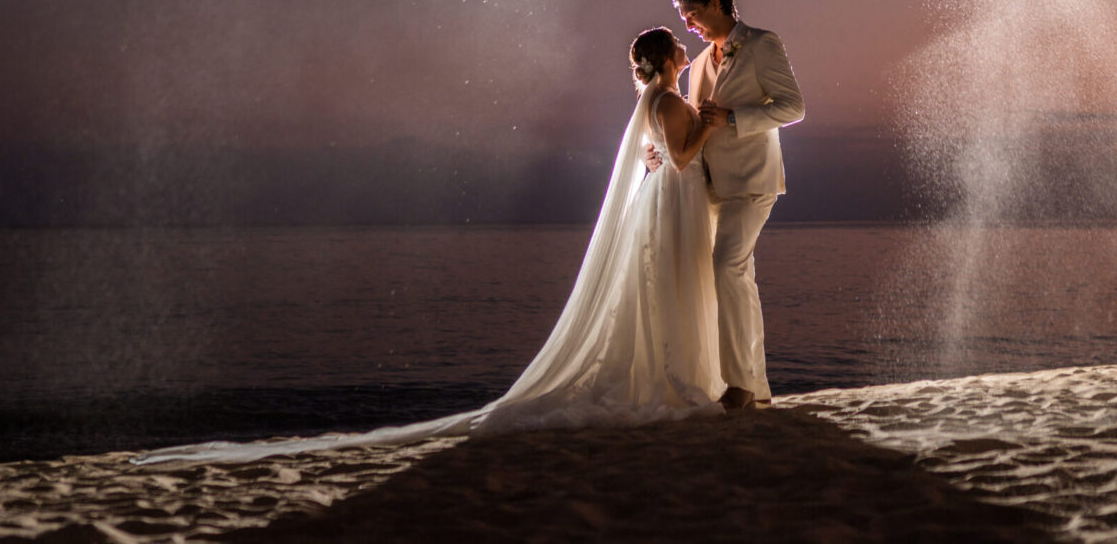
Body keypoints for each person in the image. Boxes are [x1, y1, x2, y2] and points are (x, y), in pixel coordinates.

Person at [136, 27, 725, 465]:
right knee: (672, 287)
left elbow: (655, 155)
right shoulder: (670, 101)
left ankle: (665, 372)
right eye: (678, 46)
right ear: (666, 59)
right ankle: (675, 379)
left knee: (657, 292)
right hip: (670, 206)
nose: (684, 53)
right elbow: (678, 157)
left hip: (657, 207)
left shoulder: (648, 102)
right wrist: (709, 124)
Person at [656, 0, 804, 412]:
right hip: (710, 186)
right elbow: (690, 122)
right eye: (685, 19)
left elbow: (793, 107)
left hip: (753, 181)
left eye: (694, 15)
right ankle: (752, 383)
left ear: (716, 3)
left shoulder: (761, 44)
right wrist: (663, 154)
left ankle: (740, 385)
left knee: (727, 268)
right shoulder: (700, 63)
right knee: (734, 276)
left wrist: (734, 119)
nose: (690, 26)